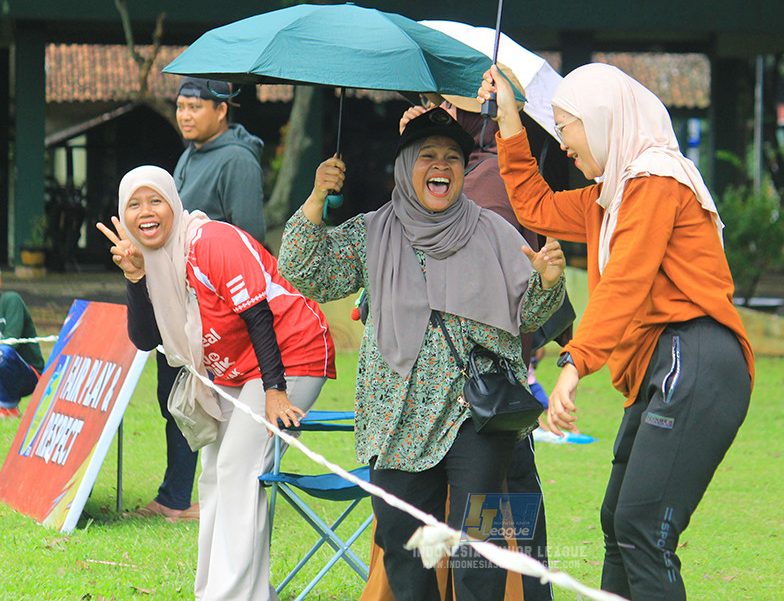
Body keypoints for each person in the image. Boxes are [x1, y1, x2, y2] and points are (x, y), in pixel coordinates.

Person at [480, 62, 755, 600]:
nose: (562, 144)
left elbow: (625, 282)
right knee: (618, 523)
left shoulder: (656, 181)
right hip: (663, 366)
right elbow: (533, 205)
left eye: (566, 128)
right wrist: (510, 120)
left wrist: (572, 363)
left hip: (695, 355)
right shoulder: (609, 198)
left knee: (641, 528)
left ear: (603, 118)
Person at [278, 108, 567, 601]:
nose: (442, 165)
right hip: (396, 417)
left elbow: (530, 311)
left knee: (478, 552)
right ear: (406, 165)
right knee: (403, 549)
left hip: (477, 415)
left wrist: (547, 280)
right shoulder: (372, 232)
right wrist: (316, 196)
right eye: (428, 156)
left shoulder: (494, 231)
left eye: (453, 157)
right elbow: (303, 269)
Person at [98, 165, 335, 600]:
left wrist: (274, 391)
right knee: (213, 474)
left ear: (175, 202)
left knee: (239, 469)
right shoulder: (156, 259)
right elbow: (146, 338)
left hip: (291, 352)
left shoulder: (210, 241)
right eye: (134, 204)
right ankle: (216, 590)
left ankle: (232, 595)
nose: (146, 213)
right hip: (233, 366)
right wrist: (135, 278)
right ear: (122, 213)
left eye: (156, 201)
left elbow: (258, 313)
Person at [140, 76, 268, 522]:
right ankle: (175, 493)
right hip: (174, 298)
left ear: (221, 111)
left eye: (195, 107)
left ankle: (189, 496)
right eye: (180, 106)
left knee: (201, 395)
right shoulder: (189, 155)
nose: (185, 115)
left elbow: (249, 237)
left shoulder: (238, 160)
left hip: (213, 307)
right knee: (171, 393)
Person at [0, 272, 45, 418]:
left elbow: (11, 342)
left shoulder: (11, 300)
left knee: (3, 353)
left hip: (28, 371)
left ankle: (8, 407)